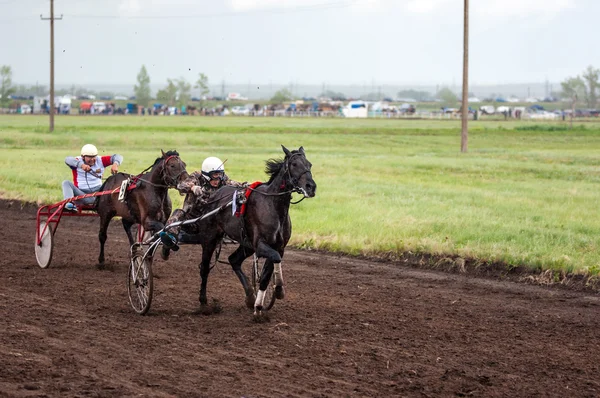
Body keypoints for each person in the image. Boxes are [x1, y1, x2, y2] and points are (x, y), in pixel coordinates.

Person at [160, 156, 245, 259]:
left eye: (219, 175)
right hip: (193, 221)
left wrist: (246, 186)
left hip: (213, 223)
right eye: (214, 175)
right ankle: (169, 240)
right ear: (206, 175)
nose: (217, 179)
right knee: (178, 213)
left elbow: (233, 184)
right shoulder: (197, 176)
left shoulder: (223, 179)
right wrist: (192, 187)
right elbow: (181, 185)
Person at [62, 144, 123, 211]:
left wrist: (115, 164)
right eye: (89, 157)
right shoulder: (77, 161)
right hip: (81, 195)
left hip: (98, 194)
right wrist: (81, 165)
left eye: (94, 157)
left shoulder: (101, 160)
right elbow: (67, 159)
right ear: (83, 157)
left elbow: (118, 156)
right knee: (66, 183)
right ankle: (69, 204)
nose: (92, 159)